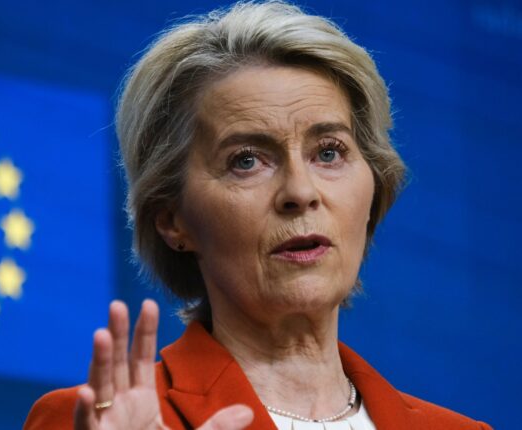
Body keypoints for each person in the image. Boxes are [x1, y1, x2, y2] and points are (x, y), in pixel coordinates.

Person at [24, 1, 493, 429]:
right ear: (172, 219)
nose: (300, 192)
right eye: (246, 160)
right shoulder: (88, 421)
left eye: (329, 152)